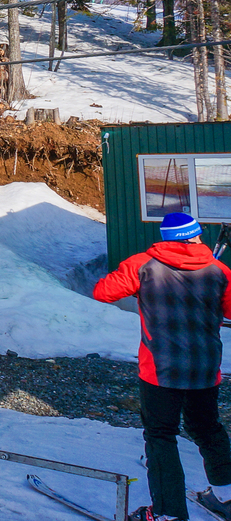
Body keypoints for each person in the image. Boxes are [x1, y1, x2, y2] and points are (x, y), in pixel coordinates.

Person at [94, 212, 231, 521]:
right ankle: (226, 495)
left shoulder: (142, 265)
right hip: (205, 368)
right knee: (208, 429)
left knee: (160, 436)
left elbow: (103, 291)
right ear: (196, 236)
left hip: (160, 369)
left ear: (167, 237)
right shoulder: (220, 270)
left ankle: (169, 514)